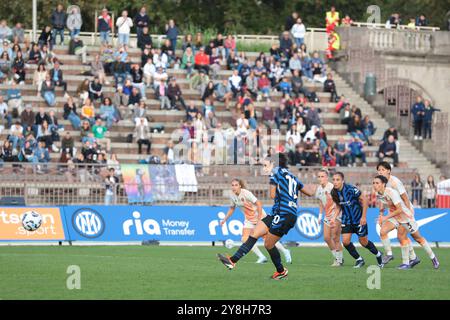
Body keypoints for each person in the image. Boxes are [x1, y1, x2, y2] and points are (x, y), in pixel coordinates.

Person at [217, 153, 315, 279]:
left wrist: (277, 190)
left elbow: (272, 195)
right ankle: (233, 261)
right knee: (254, 234)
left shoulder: (275, 173)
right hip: (279, 213)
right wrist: (315, 188)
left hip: (284, 214)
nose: (264, 168)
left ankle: (281, 271)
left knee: (268, 244)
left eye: (265, 165)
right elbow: (310, 193)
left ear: (274, 163)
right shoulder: (292, 176)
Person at [373, 175, 440, 269]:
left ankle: (433, 257)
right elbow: (383, 205)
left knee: (418, 238)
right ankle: (391, 255)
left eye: (377, 183)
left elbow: (400, 209)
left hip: (405, 217)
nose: (374, 185)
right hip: (395, 216)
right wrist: (381, 216)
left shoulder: (392, 192)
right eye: (374, 183)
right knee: (383, 231)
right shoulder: (378, 194)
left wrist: (385, 218)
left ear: (383, 184)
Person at [220, 179, 292, 264]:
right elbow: (232, 208)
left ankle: (285, 251)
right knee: (244, 239)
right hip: (249, 220)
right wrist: (224, 219)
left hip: (260, 217)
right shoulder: (232, 196)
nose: (234, 187)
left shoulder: (246, 193)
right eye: (232, 185)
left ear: (240, 186)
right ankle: (261, 257)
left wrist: (259, 220)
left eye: (236, 185)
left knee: (268, 240)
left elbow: (259, 203)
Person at [330, 172, 383, 268]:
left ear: (342, 181)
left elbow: (365, 200)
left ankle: (378, 254)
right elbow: (338, 205)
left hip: (358, 219)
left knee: (363, 242)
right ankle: (359, 259)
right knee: (345, 242)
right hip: (346, 220)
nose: (335, 182)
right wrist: (334, 218)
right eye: (333, 180)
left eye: (337, 180)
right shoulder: (333, 192)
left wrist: (363, 217)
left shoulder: (351, 189)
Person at [376, 162, 419, 267]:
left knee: (402, 236)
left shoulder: (395, 182)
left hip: (403, 212)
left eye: (383, 169)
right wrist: (381, 215)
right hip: (394, 213)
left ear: (389, 171)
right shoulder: (381, 183)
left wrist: (408, 213)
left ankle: (407, 261)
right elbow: (383, 200)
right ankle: (412, 257)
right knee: (385, 232)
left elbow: (405, 197)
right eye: (379, 170)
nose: (380, 172)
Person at [315, 169, 343, 266]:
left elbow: (339, 203)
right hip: (327, 215)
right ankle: (338, 258)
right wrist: (319, 215)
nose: (320, 178)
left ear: (327, 177)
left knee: (335, 237)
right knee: (326, 238)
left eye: (322, 176)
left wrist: (334, 217)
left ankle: (338, 260)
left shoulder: (332, 187)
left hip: (337, 215)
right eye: (318, 176)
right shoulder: (319, 189)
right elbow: (320, 202)